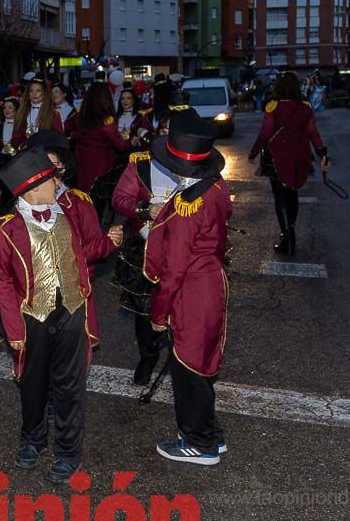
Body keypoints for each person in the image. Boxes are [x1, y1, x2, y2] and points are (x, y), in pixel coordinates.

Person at [0, 147, 121, 485]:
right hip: (33, 316)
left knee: (70, 386)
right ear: (33, 188)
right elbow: (2, 281)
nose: (58, 182)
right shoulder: (6, 228)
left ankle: (68, 451)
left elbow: (82, 254)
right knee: (33, 385)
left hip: (73, 311)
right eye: (51, 179)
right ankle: (33, 440)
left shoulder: (68, 212)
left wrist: (109, 243)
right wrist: (13, 328)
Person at [143, 110, 232, 466]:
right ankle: (210, 432)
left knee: (189, 366)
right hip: (212, 283)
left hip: (191, 292)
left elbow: (174, 269)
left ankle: (199, 443)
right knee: (203, 362)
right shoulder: (215, 186)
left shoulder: (187, 204)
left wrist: (159, 313)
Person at [110, 109, 193, 386]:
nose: (169, 136)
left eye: (175, 131)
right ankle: (148, 354)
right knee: (144, 311)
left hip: (186, 252)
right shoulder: (141, 163)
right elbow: (120, 198)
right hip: (145, 250)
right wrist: (145, 208)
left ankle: (184, 358)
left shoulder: (200, 166)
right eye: (165, 130)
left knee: (184, 309)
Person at [248, 72, 329, 256]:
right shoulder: (305, 107)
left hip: (277, 156)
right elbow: (313, 133)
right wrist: (322, 153)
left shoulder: (273, 106)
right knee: (293, 193)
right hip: (301, 155)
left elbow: (265, 134)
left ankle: (288, 237)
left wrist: (253, 152)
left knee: (280, 197)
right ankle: (289, 233)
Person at [65, 81, 136, 224]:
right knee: (98, 208)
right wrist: (132, 141)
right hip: (101, 168)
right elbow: (120, 146)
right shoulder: (106, 120)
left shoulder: (79, 117)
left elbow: (66, 128)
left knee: (84, 202)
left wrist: (75, 135)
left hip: (82, 164)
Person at [13, 78, 64, 148]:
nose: (34, 93)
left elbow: (58, 139)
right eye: (31, 91)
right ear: (28, 93)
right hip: (26, 154)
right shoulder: (22, 112)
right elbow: (16, 138)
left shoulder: (53, 114)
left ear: (44, 93)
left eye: (38, 90)